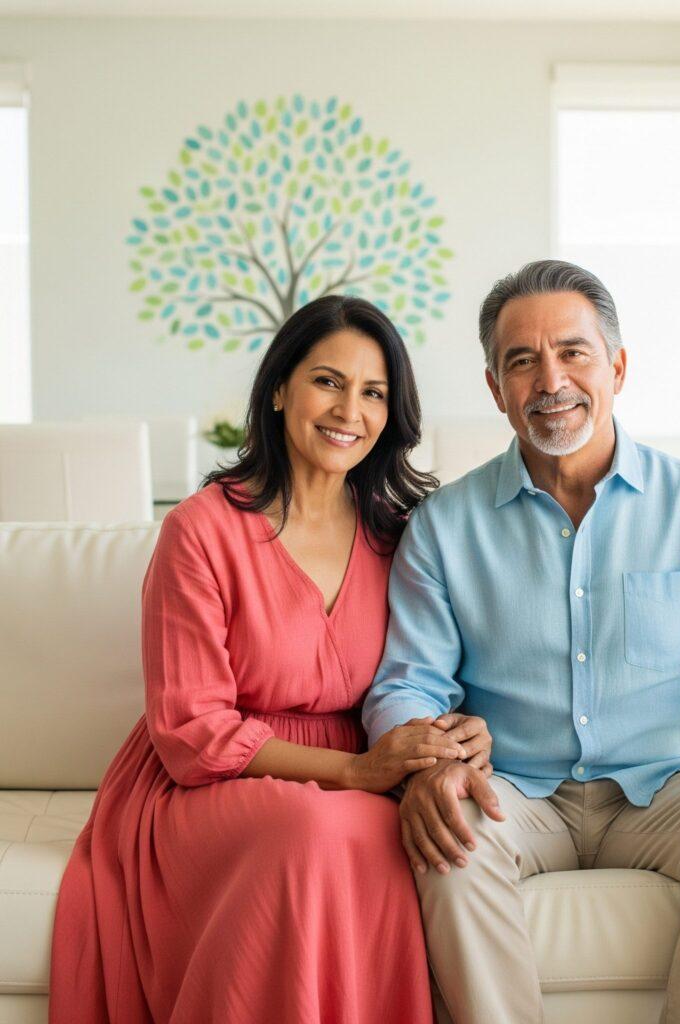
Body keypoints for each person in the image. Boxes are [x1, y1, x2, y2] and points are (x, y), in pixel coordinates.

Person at [362, 259, 680, 1024]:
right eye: (521, 361)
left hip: (668, 788)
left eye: (572, 352)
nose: (550, 380)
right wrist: (428, 758)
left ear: (617, 367)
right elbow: (408, 682)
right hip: (515, 789)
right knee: (447, 838)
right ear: (495, 388)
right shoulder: (444, 525)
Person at [49, 295, 492, 1023]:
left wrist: (466, 731)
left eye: (373, 392)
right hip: (207, 785)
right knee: (318, 832)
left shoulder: (401, 536)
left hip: (359, 778)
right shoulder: (200, 530)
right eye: (328, 380)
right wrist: (353, 772)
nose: (349, 408)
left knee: (385, 834)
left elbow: (438, 674)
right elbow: (192, 733)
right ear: (280, 388)